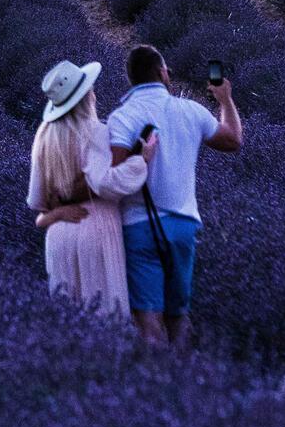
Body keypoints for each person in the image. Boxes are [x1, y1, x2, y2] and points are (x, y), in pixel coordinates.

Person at [105, 45, 242, 346]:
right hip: (182, 226)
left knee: (147, 317)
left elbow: (115, 176)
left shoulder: (122, 117)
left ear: (131, 79)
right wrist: (226, 99)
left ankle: (157, 382)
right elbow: (233, 139)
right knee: (178, 315)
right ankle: (185, 381)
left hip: (139, 226)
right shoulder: (190, 111)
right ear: (161, 73)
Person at [28, 59, 155, 318]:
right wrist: (140, 161)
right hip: (96, 227)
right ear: (87, 98)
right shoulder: (95, 132)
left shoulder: (43, 138)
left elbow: (37, 199)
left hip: (59, 236)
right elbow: (107, 183)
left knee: (69, 319)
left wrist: (56, 214)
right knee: (107, 314)